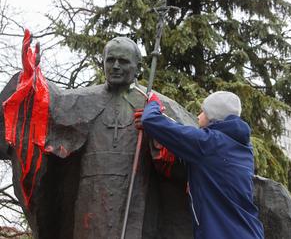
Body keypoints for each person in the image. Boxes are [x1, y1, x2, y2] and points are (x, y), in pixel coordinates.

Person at [0, 30, 196, 239]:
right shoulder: (83, 99)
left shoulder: (156, 105)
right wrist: (32, 81)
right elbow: (48, 110)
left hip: (139, 196)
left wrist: (158, 135)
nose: (116, 66)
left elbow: (189, 148)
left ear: (138, 67)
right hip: (91, 200)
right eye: (110, 60)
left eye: (123, 61)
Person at [138, 91, 265, 239]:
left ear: (213, 116)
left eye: (203, 112)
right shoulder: (242, 148)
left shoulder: (209, 144)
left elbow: (150, 120)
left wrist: (154, 103)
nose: (198, 116)